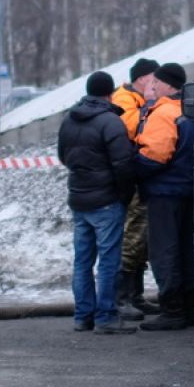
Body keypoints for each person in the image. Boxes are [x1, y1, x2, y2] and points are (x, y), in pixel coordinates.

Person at [57, 71, 138, 335]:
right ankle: (105, 317)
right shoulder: (111, 122)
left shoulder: (69, 119)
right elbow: (123, 165)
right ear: (109, 93)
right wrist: (124, 195)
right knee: (108, 261)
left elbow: (63, 156)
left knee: (82, 261)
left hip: (79, 198)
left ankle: (83, 316)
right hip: (106, 200)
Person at [134, 61, 194, 331]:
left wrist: (130, 169)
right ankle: (189, 307)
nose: (153, 86)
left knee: (165, 250)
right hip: (189, 190)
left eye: (157, 82)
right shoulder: (193, 111)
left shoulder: (164, 113)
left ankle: (172, 309)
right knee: (186, 249)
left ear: (167, 85)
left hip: (164, 191)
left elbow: (155, 154)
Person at [111, 57, 157, 316]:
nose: (156, 84)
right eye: (154, 79)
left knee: (141, 237)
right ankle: (123, 297)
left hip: (141, 177)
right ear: (142, 79)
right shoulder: (125, 100)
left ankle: (136, 295)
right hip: (131, 179)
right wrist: (152, 105)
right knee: (131, 235)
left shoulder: (136, 100)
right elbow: (132, 128)